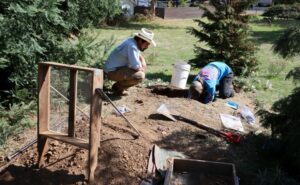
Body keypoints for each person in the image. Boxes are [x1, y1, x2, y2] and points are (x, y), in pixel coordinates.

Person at [104, 28, 156, 95]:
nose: (147, 47)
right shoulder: (132, 46)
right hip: (112, 72)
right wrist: (143, 67)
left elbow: (138, 55)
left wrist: (143, 60)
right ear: (140, 40)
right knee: (140, 76)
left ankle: (118, 87)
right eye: (146, 44)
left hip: (113, 69)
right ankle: (117, 88)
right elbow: (137, 67)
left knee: (136, 73)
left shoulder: (131, 41)